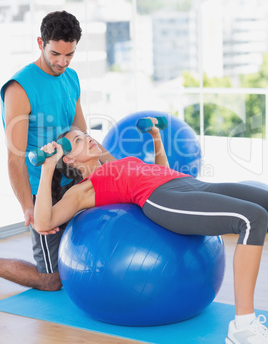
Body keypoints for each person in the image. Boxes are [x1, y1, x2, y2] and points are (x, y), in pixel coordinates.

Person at [34, 118, 268, 344]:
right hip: (164, 199)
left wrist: (156, 136)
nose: (87, 139)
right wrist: (47, 167)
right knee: (252, 219)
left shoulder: (114, 165)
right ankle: (243, 327)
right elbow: (44, 223)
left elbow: (160, 170)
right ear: (69, 159)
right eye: (77, 141)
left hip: (188, 183)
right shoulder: (82, 189)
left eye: (85, 135)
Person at [0, 10, 114, 292]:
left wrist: (110, 167)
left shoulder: (71, 77)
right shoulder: (20, 88)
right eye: (55, 54)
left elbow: (82, 132)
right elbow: (15, 157)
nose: (62, 62)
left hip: (74, 181)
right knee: (51, 280)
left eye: (70, 55)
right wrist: (28, 206)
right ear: (40, 43)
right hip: (44, 191)